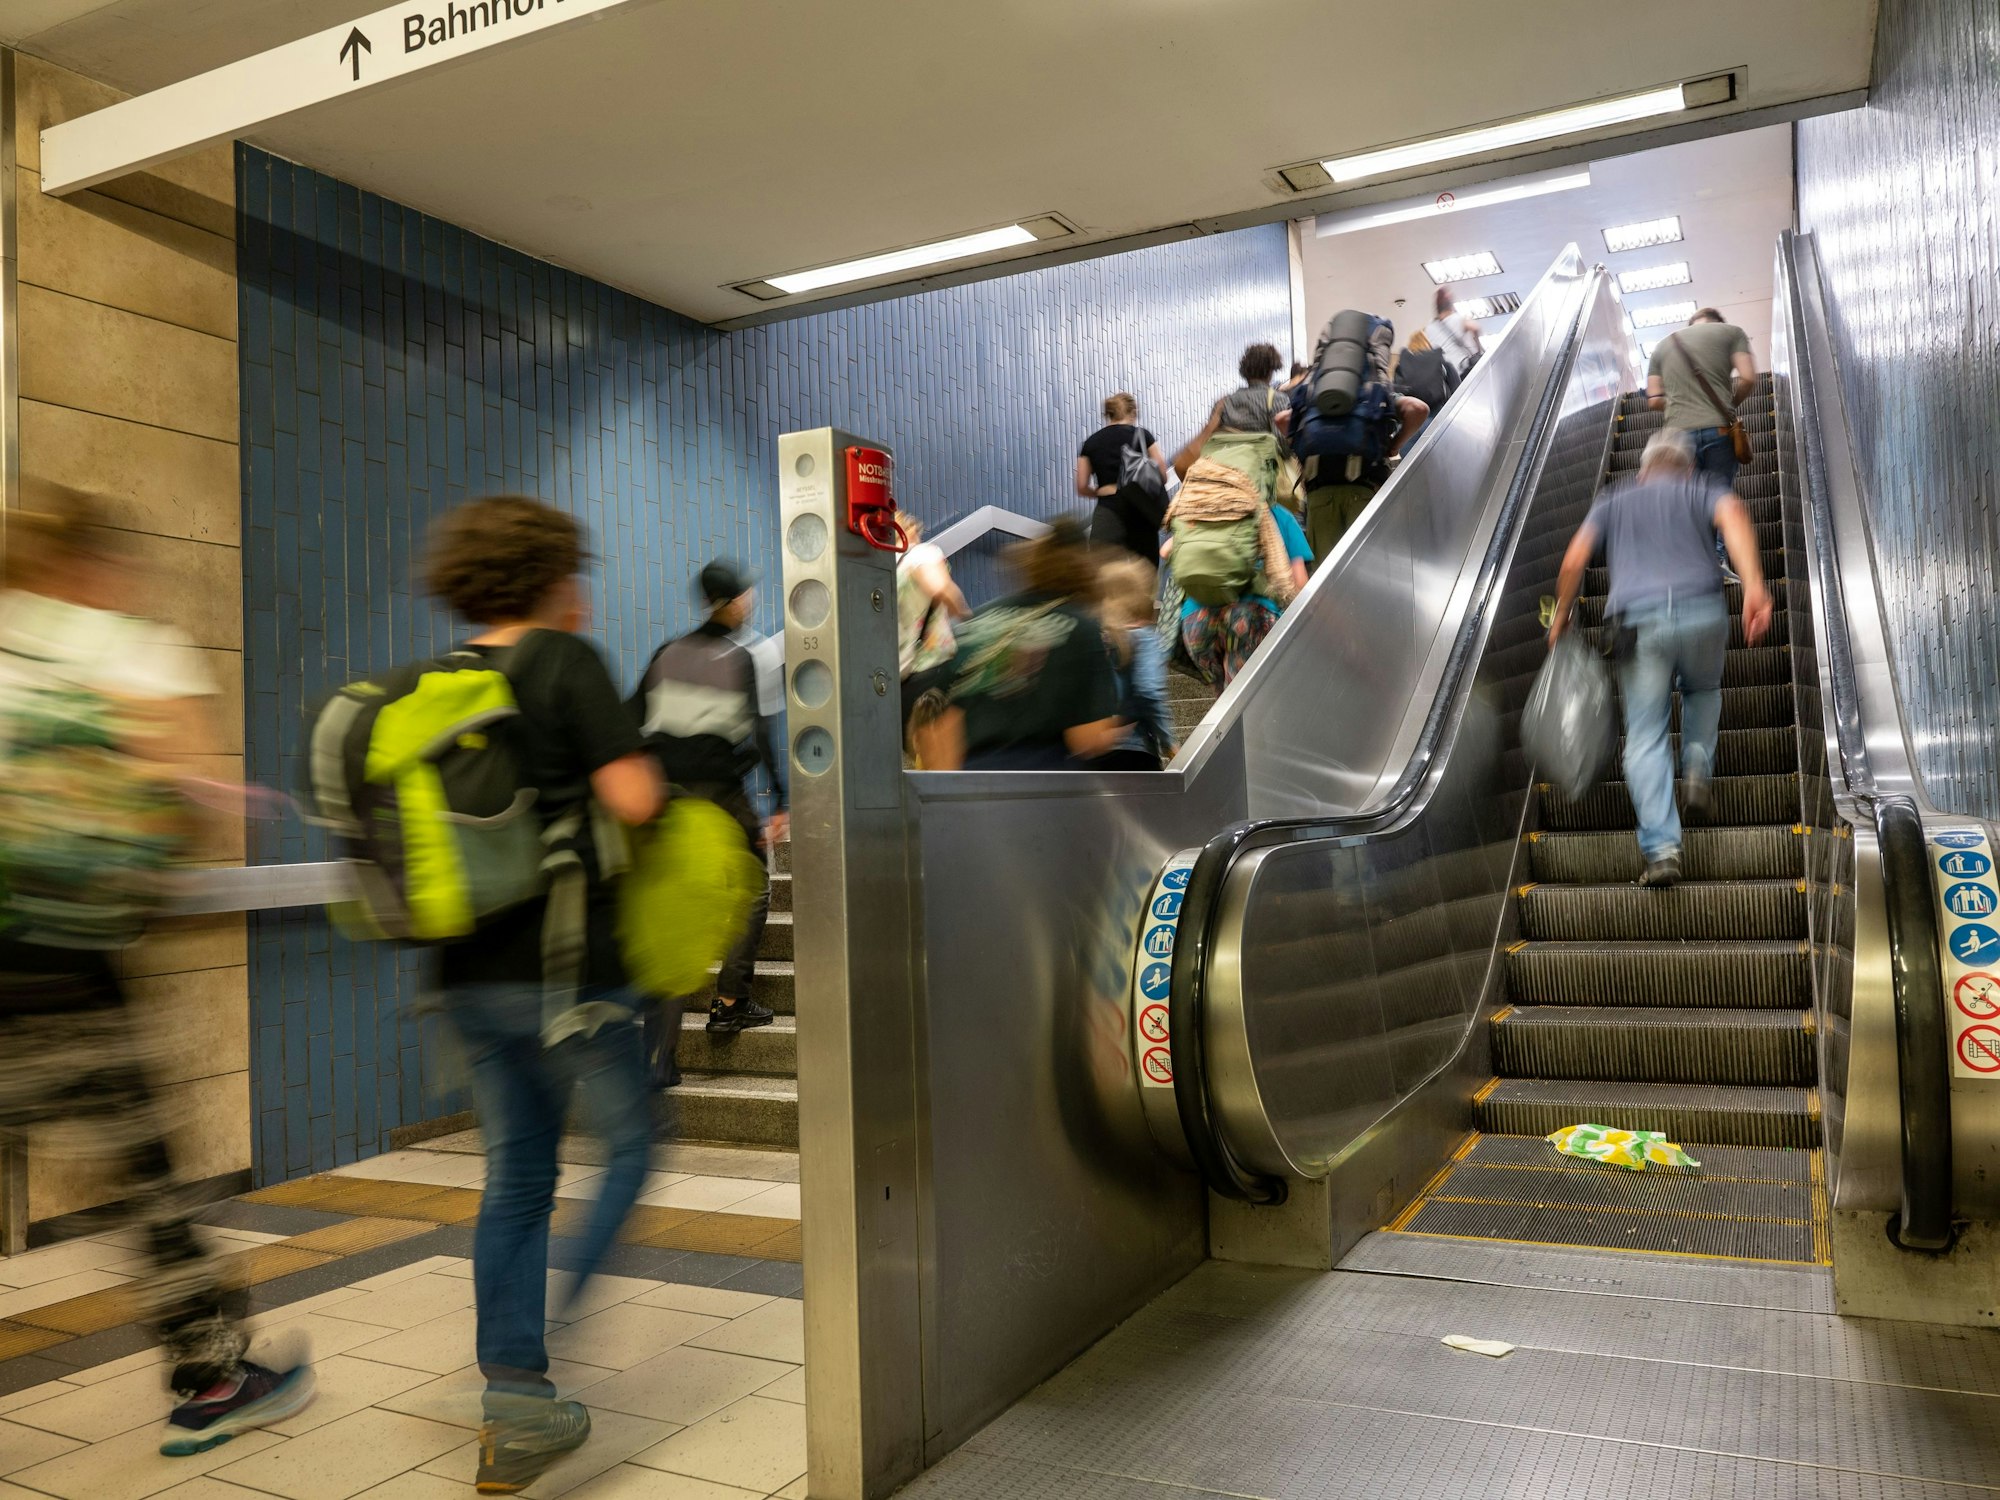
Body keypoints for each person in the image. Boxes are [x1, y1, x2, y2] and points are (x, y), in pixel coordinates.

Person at [0, 491, 317, 1457]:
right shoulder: (124, 645)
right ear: (91, 565)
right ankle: (214, 1376)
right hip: (62, 963)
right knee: (147, 1180)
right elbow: (187, 788)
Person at [422, 495, 663, 1491]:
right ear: (553, 573)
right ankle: (551, 1336)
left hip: (465, 977)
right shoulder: (566, 661)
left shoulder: (440, 677)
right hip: (570, 975)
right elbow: (633, 799)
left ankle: (515, 1397)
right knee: (633, 1150)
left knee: (517, 1178)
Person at [1546, 430, 1774, 887]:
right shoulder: (1702, 488)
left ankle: (1662, 851)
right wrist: (1753, 585)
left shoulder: (1614, 498)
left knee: (1646, 734)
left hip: (1638, 623)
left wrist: (1563, 614)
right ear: (1688, 468)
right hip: (1703, 610)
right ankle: (1697, 768)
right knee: (1703, 690)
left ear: (1643, 470)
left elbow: (1573, 560)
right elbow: (1733, 513)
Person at [633, 561, 788, 1054]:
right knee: (753, 888)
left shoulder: (667, 652)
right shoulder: (742, 657)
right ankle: (730, 1001)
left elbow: (633, 718)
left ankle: (658, 1053)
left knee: (672, 905)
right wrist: (780, 799)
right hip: (719, 794)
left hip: (666, 798)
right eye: (747, 594)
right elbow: (759, 733)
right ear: (737, 600)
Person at [919, 518, 1124, 770]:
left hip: (973, 777)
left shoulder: (977, 622)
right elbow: (1088, 738)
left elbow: (941, 723)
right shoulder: (1081, 628)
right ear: (1087, 571)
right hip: (1044, 779)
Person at [1165, 463, 1313, 690]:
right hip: (1249, 615)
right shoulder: (1277, 514)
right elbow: (1300, 584)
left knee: (1224, 697)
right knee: (1247, 695)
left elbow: (1165, 551)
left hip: (1197, 620)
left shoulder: (1201, 513)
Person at [1647, 306, 1758, 567]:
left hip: (1677, 437)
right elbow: (1748, 378)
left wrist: (1680, 405)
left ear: (1691, 325)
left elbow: (1653, 400)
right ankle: (1719, 561)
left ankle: (1690, 563)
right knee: (1719, 496)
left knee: (1685, 499)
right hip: (1719, 429)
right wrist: (1728, 405)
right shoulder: (1732, 333)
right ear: (1718, 322)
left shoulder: (1663, 346)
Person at [896, 511, 970, 750]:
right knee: (938, 755)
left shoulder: (884, 570)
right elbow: (939, 587)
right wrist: (965, 616)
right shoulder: (922, 553)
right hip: (931, 669)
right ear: (908, 530)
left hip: (899, 679)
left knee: (911, 754)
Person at [1097, 557, 1177, 770]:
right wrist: (1168, 742)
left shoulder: (1095, 640)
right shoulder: (1143, 637)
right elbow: (1148, 691)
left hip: (1095, 750)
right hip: (1134, 749)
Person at [1172, 342, 1293, 477]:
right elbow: (1283, 447)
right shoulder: (1278, 400)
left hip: (1228, 476)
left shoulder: (1223, 404)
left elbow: (1211, 443)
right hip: (1263, 478)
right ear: (1270, 371)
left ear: (1246, 371)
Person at [1076, 394, 1172, 562]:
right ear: (1133, 412)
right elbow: (1162, 475)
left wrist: (1100, 492)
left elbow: (1082, 486)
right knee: (1144, 570)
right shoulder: (1143, 435)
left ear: (1109, 414)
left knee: (1102, 567)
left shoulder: (1091, 442)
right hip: (1141, 508)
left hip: (1108, 508)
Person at [1425, 285, 1483, 374]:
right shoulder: (1457, 319)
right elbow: (1475, 328)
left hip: (1446, 374)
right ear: (1450, 305)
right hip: (1462, 369)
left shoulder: (1430, 327)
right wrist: (1478, 351)